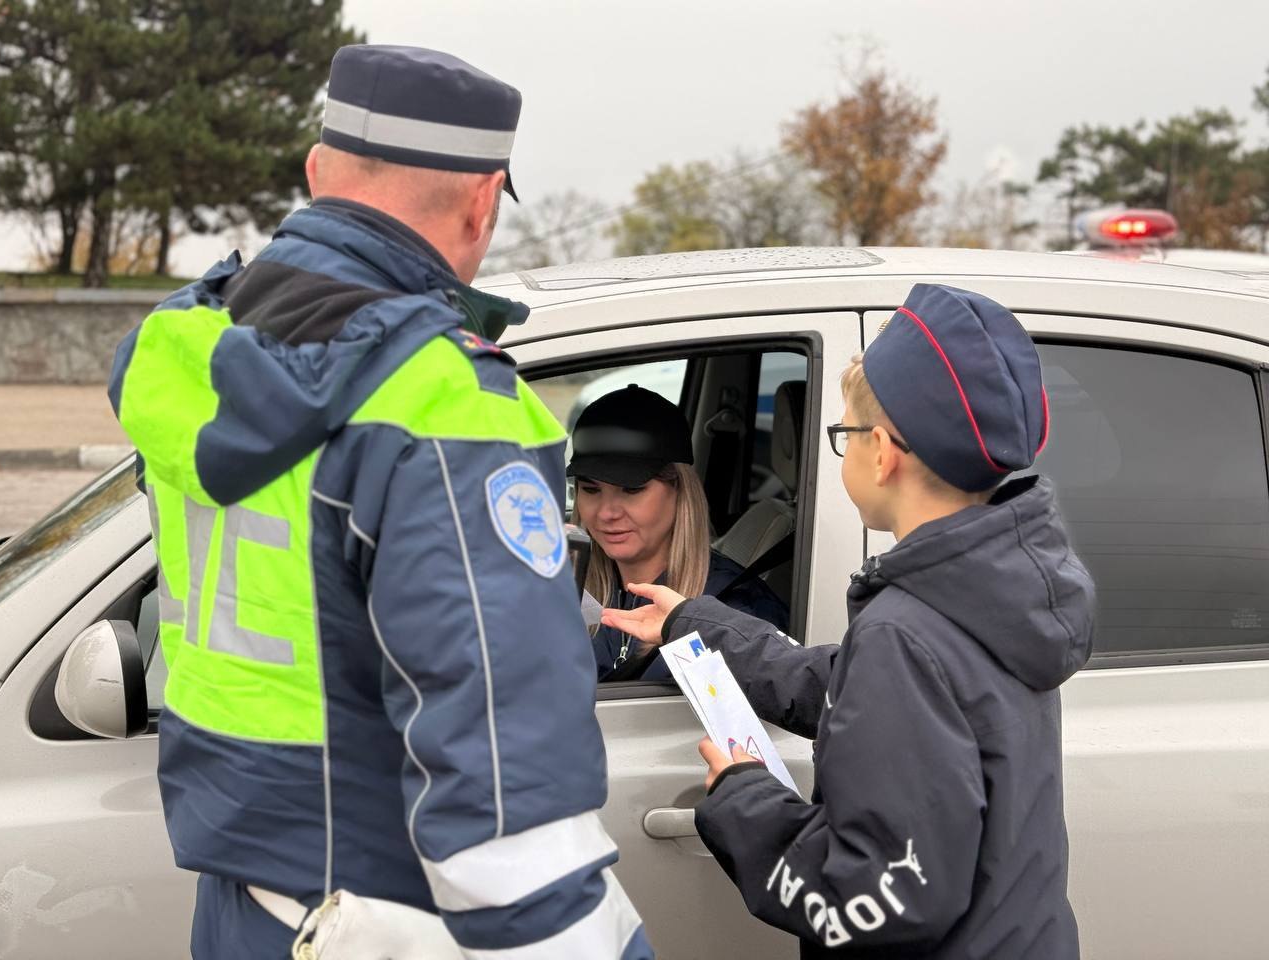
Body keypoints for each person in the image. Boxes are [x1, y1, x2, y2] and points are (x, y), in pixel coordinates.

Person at [109, 44, 651, 959]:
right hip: (388, 919)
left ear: (318, 171)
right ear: (484, 200)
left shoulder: (196, 350)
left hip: (245, 908)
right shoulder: (442, 406)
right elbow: (503, 782)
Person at [603, 283, 1095, 958]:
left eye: (845, 434)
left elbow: (880, 897)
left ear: (883, 452)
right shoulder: (991, 596)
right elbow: (844, 684)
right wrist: (695, 621)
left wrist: (741, 800)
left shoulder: (907, 630)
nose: (844, 449)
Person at [567, 384, 789, 682]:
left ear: (680, 491)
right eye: (590, 489)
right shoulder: (575, 594)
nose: (607, 512)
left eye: (632, 489)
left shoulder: (737, 614)